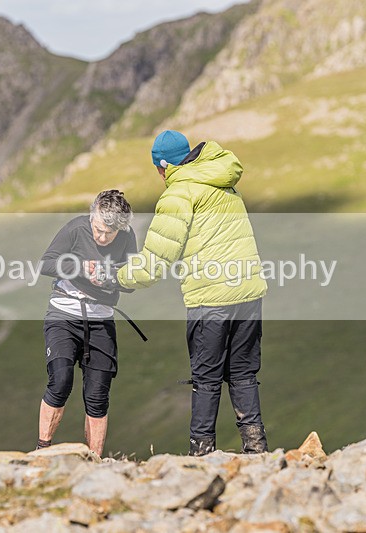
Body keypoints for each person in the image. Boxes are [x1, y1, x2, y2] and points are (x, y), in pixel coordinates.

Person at [93, 130, 269, 456]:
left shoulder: (178, 194)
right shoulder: (223, 180)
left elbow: (156, 261)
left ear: (163, 165)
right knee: (243, 372)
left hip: (210, 298)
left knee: (206, 378)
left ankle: (201, 454)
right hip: (248, 292)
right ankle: (256, 449)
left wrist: (114, 278)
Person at [36, 190, 137, 456]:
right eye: (98, 229)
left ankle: (94, 460)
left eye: (109, 234)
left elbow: (132, 281)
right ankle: (41, 451)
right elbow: (45, 265)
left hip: (101, 318)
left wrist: (111, 278)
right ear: (92, 217)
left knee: (97, 396)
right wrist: (82, 269)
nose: (102, 238)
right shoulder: (75, 228)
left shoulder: (127, 237)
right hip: (64, 314)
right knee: (60, 381)